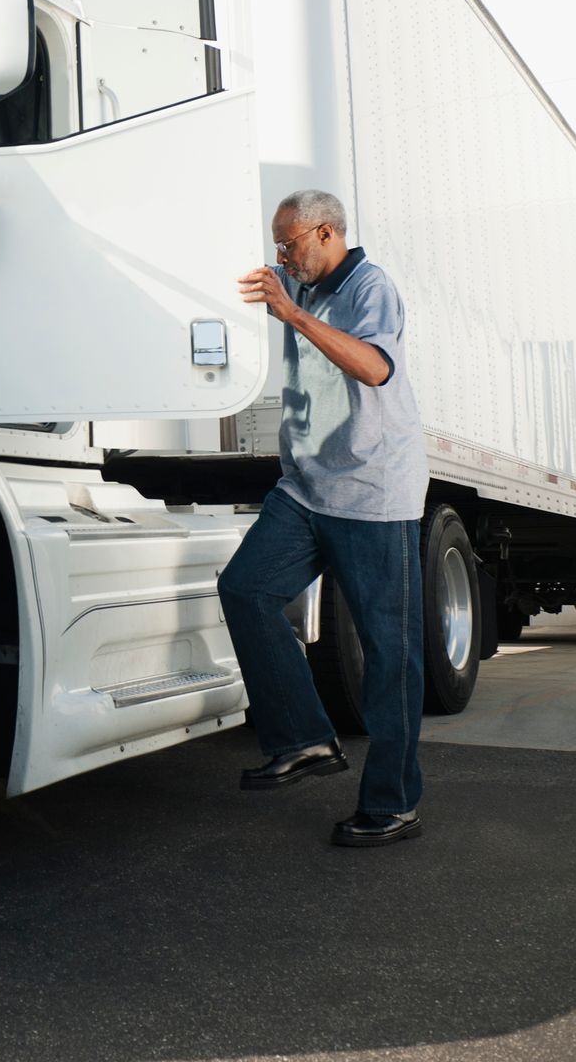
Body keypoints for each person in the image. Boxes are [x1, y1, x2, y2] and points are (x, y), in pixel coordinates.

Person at [218, 188, 429, 847]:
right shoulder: (300, 282)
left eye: (291, 244)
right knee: (245, 590)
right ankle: (305, 738)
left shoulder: (371, 287)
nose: (282, 258)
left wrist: (293, 314)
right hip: (306, 489)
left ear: (328, 233)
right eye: (278, 247)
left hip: (373, 493)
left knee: (390, 656)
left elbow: (374, 366)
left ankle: (393, 804)